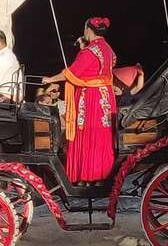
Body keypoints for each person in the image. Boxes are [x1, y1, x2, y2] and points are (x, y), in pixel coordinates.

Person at [42, 17, 116, 183]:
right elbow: (93, 70)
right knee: (101, 135)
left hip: (91, 99)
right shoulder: (107, 49)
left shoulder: (90, 51)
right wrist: (84, 47)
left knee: (87, 133)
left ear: (88, 30)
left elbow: (73, 72)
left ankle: (88, 175)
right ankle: (101, 174)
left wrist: (50, 79)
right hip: (105, 96)